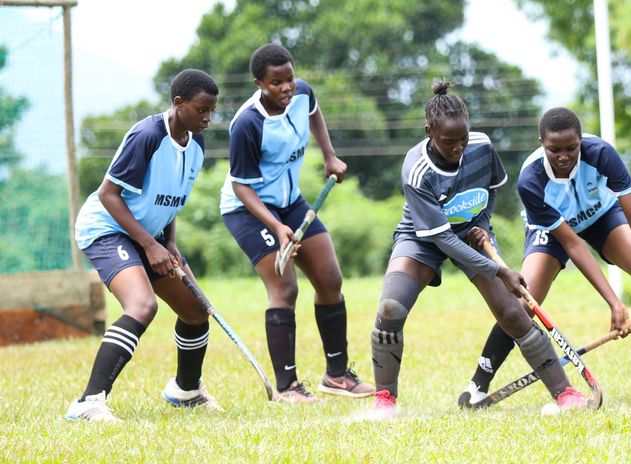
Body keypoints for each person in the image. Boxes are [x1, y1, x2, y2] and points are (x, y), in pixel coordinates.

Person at [457, 107, 631, 408]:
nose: (563, 157)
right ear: (541, 143)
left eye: (571, 148)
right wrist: (615, 303)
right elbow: (574, 245)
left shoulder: (602, 153)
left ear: (581, 141)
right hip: (553, 231)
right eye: (554, 150)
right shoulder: (531, 180)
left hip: (601, 217)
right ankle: (479, 384)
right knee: (524, 304)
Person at [369, 82, 590, 419]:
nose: (458, 148)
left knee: (514, 313)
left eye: (462, 139)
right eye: (448, 142)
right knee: (391, 308)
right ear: (429, 131)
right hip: (423, 238)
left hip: (471, 234)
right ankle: (384, 399)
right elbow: (442, 240)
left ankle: (566, 393)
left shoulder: (482, 146)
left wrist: (483, 225)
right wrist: (500, 270)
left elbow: (489, 190)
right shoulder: (417, 169)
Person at [220, 43, 374, 403]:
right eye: (276, 83)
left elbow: (314, 113)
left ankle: (336, 376)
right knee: (285, 288)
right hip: (249, 209)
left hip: (291, 203)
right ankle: (287, 388)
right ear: (260, 83)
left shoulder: (302, 92)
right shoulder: (247, 124)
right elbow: (241, 186)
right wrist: (275, 227)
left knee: (329, 278)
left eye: (289, 78)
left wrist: (329, 155)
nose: (287, 87)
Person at [66, 69, 221, 423]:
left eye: (212, 110)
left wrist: (170, 244)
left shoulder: (195, 142)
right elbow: (109, 194)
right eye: (202, 110)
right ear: (178, 104)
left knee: (196, 309)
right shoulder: (148, 135)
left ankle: (186, 390)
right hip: (107, 228)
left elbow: (169, 201)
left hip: (150, 235)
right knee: (142, 305)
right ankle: (88, 402)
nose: (208, 118)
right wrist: (150, 245)